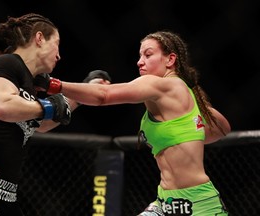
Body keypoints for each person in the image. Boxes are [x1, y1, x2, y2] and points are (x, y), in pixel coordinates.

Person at [49, 30, 231, 215]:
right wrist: (188, 133)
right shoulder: (182, 92)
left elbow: (103, 97)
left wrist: (52, 84)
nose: (139, 61)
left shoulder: (163, 85)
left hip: (198, 203)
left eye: (148, 54)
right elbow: (222, 128)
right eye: (140, 55)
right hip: (166, 201)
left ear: (170, 60)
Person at [0, 13, 110, 216]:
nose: (59, 55)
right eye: (57, 44)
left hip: (6, 192)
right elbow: (1, 105)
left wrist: (83, 94)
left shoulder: (28, 84)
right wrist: (47, 106)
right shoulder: (8, 63)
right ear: (39, 38)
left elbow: (42, 124)